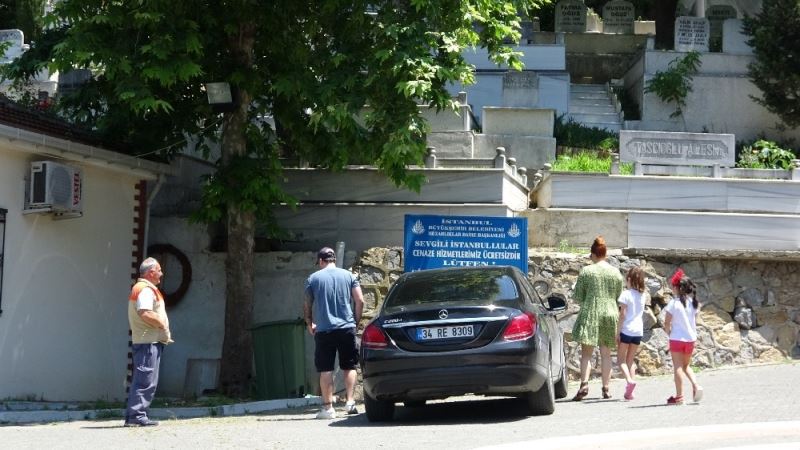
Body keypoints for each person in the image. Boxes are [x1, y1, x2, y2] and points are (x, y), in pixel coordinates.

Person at [304, 247, 364, 419]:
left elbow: (307, 304)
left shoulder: (313, 278)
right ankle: (350, 402)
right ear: (334, 260)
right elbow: (359, 300)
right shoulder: (349, 276)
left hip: (324, 330)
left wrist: (309, 323)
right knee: (349, 366)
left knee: (326, 369)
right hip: (347, 328)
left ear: (321, 261)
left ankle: (328, 408)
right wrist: (355, 322)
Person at [571, 236, 624, 401]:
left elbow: (578, 297)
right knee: (606, 353)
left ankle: (584, 384)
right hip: (610, 312)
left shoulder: (587, 271)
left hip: (591, 311)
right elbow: (619, 297)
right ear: (605, 254)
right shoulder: (615, 272)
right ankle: (606, 388)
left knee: (586, 353)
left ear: (593, 254)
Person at [125, 257, 173, 427]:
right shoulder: (145, 290)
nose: (161, 273)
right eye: (159, 270)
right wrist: (161, 323)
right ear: (151, 272)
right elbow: (144, 312)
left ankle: (136, 415)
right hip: (148, 342)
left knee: (145, 379)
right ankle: (136, 416)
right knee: (145, 380)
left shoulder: (145, 288)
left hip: (148, 341)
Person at [664, 268, 703, 405]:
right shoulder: (694, 303)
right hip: (690, 339)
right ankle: (696, 385)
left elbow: (667, 322)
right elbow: (694, 321)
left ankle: (679, 397)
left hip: (676, 339)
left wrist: (669, 332)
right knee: (686, 366)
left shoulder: (673, 303)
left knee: (678, 367)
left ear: (677, 288)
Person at [616, 266, 647, 400]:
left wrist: (617, 332)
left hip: (626, 330)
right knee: (630, 360)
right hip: (638, 331)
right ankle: (630, 393)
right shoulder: (643, 295)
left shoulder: (626, 294)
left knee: (621, 360)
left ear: (628, 279)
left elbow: (622, 315)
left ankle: (629, 381)